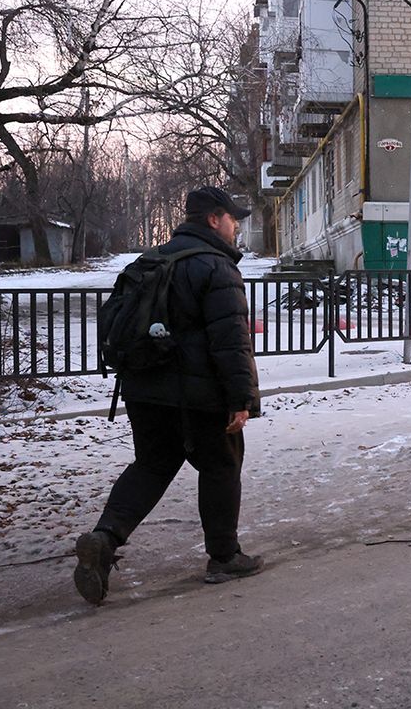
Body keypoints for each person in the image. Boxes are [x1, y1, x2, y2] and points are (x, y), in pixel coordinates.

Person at [73, 186, 263, 605]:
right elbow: (231, 341)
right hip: (199, 394)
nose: (236, 227)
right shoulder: (216, 266)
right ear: (214, 220)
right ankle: (224, 557)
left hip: (144, 388)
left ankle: (104, 539)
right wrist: (241, 399)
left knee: (153, 465)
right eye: (233, 218)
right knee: (221, 465)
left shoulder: (150, 261)